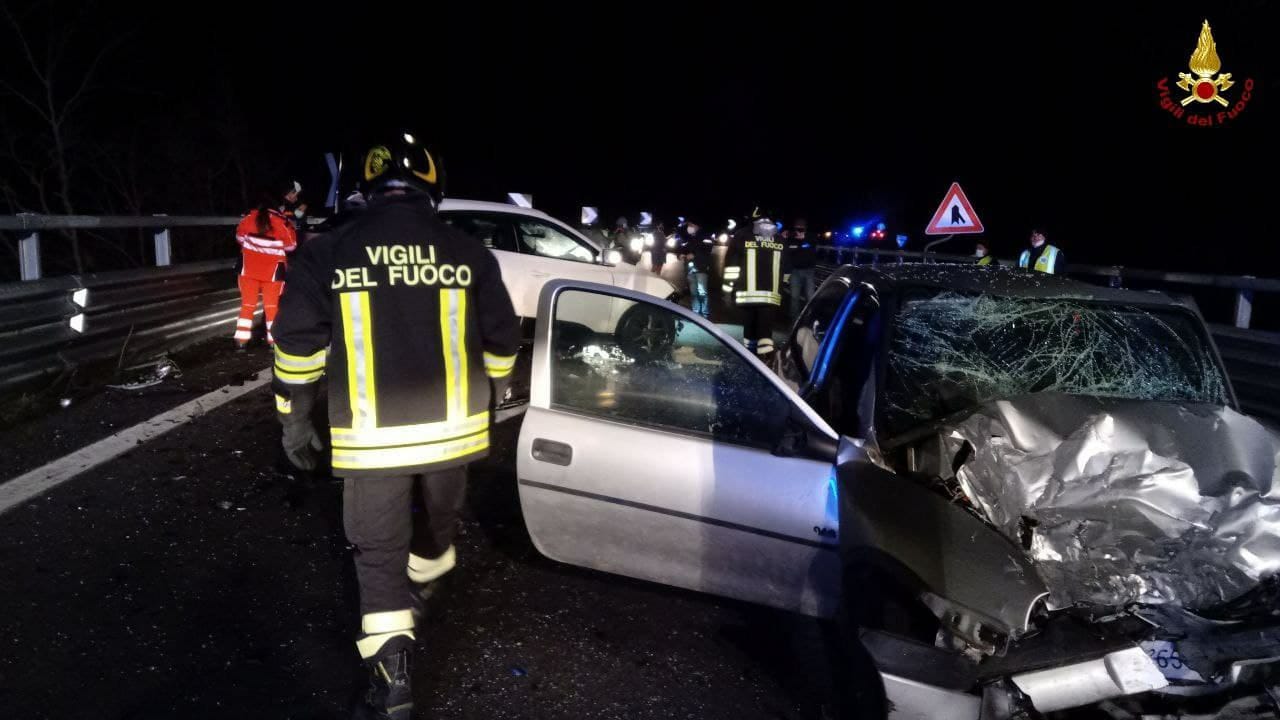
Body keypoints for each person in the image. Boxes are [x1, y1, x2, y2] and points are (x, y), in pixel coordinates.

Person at [271, 133, 520, 719]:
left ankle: (393, 686)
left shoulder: (325, 252)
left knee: (377, 557)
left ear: (365, 189)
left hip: (370, 441)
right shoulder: (469, 252)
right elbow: (504, 344)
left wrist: (294, 425)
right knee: (436, 534)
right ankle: (429, 577)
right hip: (454, 438)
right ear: (434, 189)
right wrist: (489, 404)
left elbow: (297, 352)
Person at [233, 190, 299, 347]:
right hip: (273, 272)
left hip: (248, 270)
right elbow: (291, 246)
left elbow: (239, 237)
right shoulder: (282, 223)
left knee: (247, 305)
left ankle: (241, 341)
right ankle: (273, 341)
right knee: (271, 307)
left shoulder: (249, 219)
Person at [723, 207, 787, 360]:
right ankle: (765, 359)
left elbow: (731, 265)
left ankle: (749, 359)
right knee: (765, 328)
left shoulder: (741, 235)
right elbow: (787, 267)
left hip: (747, 294)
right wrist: (782, 289)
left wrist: (727, 288)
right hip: (771, 295)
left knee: (750, 326)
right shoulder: (779, 239)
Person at [677, 219, 713, 318]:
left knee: (702, 292)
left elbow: (707, 250)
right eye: (688, 225)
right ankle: (695, 313)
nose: (689, 227)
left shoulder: (705, 236)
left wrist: (695, 255)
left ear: (696, 225)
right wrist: (681, 254)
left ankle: (705, 313)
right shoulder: (689, 238)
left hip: (701, 268)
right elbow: (683, 248)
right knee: (693, 292)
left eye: (690, 225)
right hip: (690, 269)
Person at [786, 217, 817, 317]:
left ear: (805, 228)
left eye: (801, 229)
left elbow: (812, 245)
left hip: (809, 271)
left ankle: (809, 319)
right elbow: (788, 249)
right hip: (795, 271)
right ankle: (794, 322)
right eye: (797, 228)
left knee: (810, 297)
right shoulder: (791, 238)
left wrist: (803, 240)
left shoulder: (811, 237)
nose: (799, 231)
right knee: (794, 297)